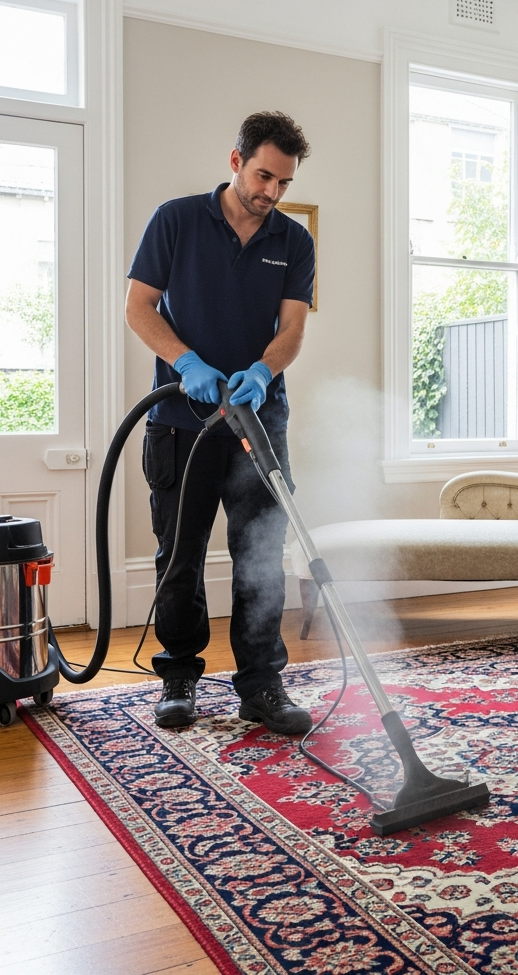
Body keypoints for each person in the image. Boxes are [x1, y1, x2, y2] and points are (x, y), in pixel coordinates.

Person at [125, 111, 315, 734]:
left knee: (261, 555)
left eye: (283, 183)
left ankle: (262, 684)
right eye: (264, 176)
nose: (271, 192)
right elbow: (139, 307)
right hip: (182, 417)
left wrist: (262, 372)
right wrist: (185, 360)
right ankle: (179, 675)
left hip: (258, 421)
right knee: (178, 553)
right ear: (235, 161)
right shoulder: (176, 219)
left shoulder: (292, 241)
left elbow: (290, 332)